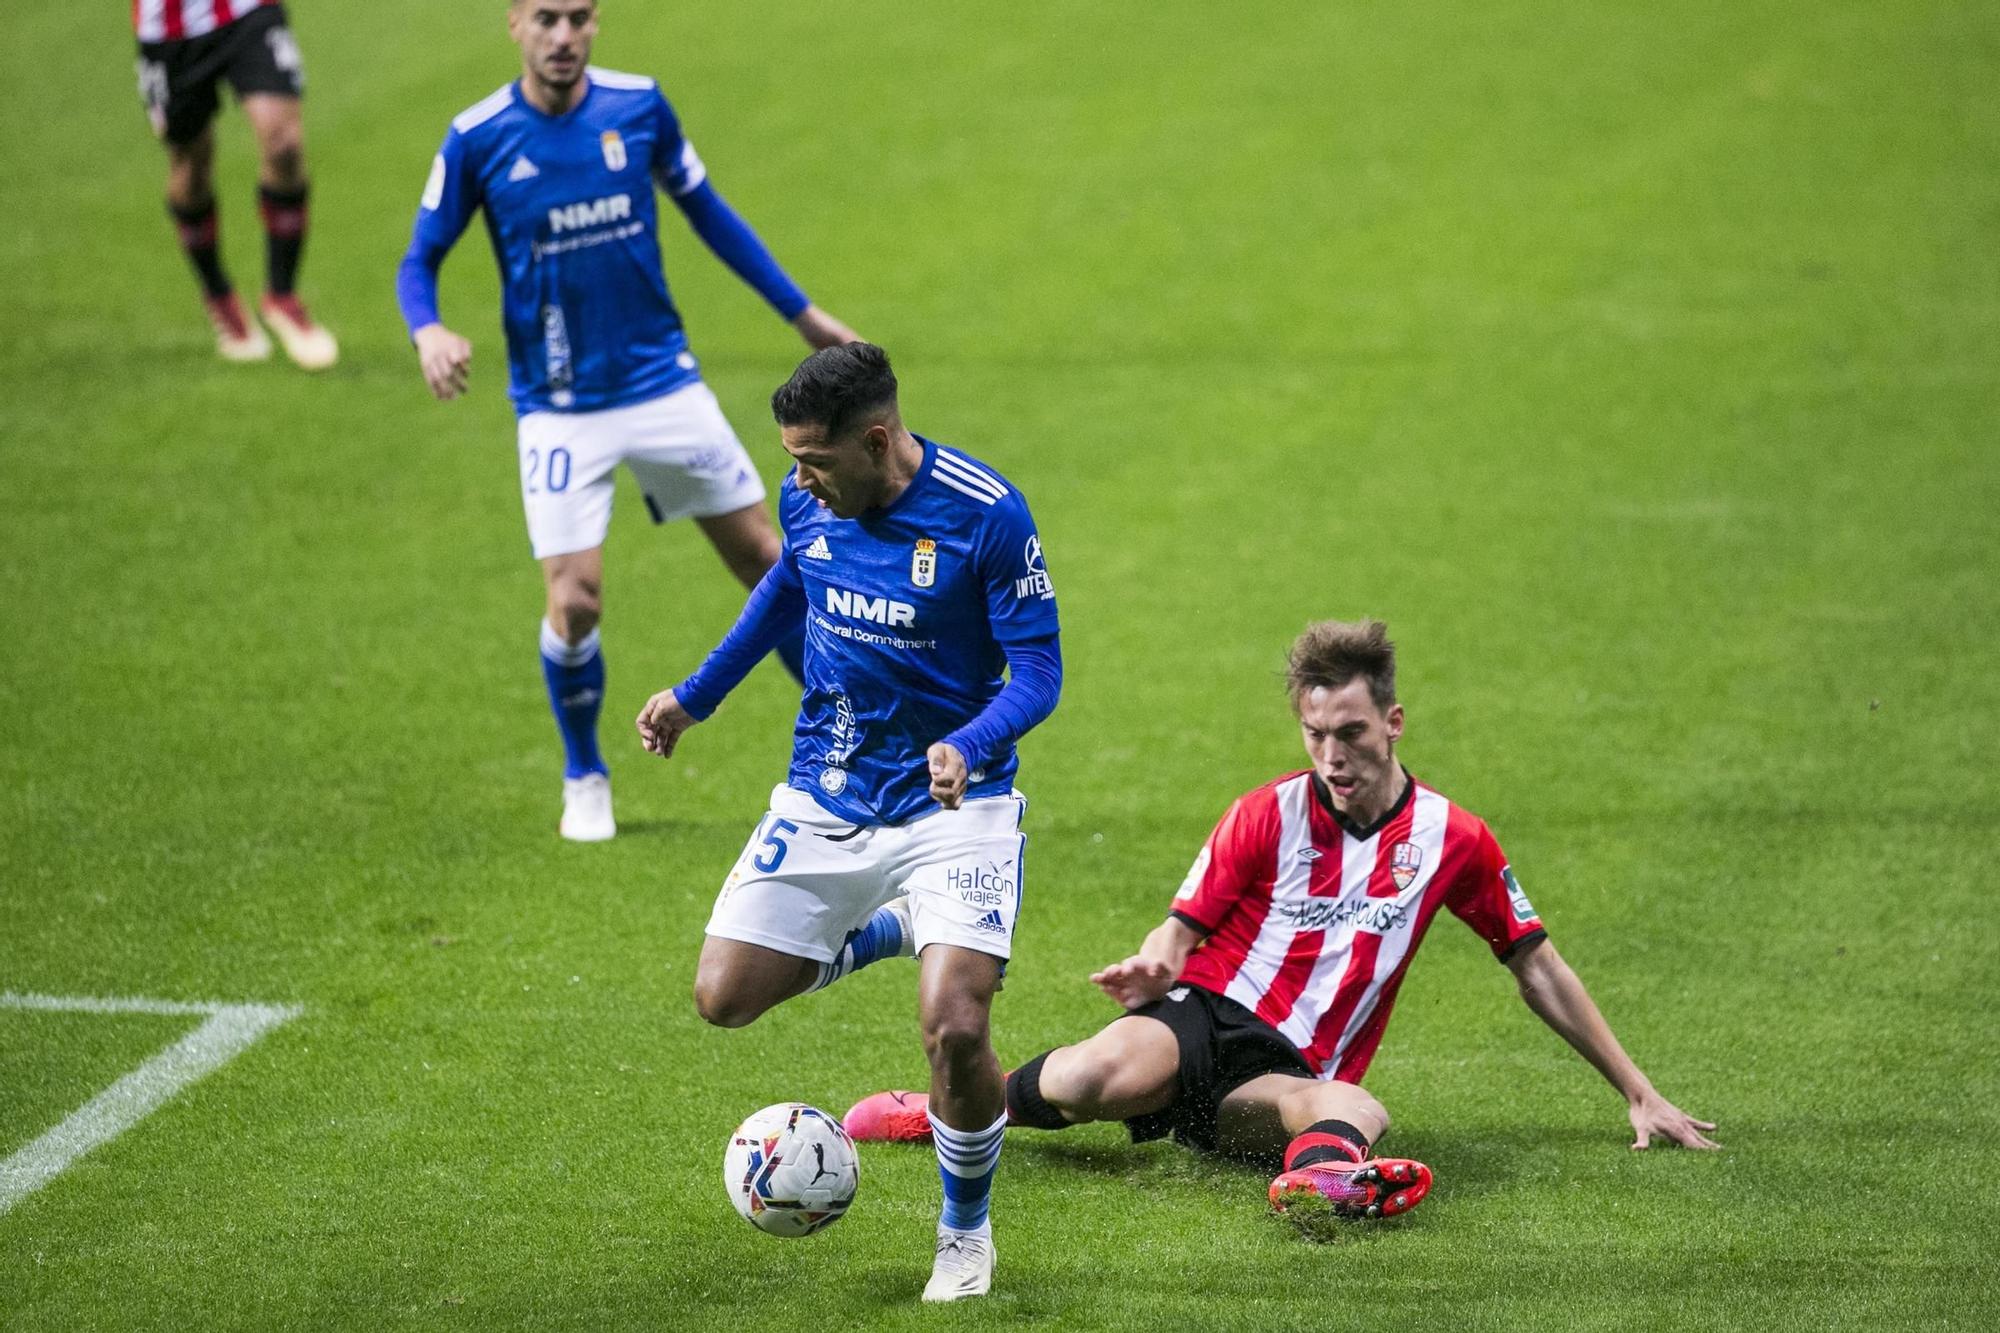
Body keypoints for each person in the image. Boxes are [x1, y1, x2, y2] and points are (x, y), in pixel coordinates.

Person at [846, 619, 1718, 1228]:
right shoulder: (1267, 814)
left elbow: (1539, 967)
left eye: (1350, 732)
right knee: (1089, 1078)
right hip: (1204, 1018)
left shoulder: (1455, 839)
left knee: (1349, 1103)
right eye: (1314, 734)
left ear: (1393, 721)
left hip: (1296, 1071)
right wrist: (1152, 970)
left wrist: (1637, 1088)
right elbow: (1176, 935)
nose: (1332, 757)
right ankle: (944, 1109)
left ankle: (1319, 1186)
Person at [635, 343, 1063, 1302]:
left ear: (876, 440)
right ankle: (889, 930)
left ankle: (964, 1234)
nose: (797, 480)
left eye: (814, 461)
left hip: (959, 804)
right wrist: (696, 695)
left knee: (954, 1027)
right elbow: (785, 589)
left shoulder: (986, 513)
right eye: (790, 460)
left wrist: (970, 739)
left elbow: (1039, 668)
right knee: (724, 996)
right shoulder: (811, 500)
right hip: (827, 790)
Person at [395, 0, 859, 840]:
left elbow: (710, 213)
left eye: (578, 18)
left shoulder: (638, 107)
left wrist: (803, 314)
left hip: (662, 385)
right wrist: (427, 327)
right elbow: (418, 258)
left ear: (596, 23)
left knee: (771, 561)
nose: (564, 36)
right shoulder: (477, 137)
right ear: (515, 25)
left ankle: (847, 741)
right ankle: (585, 773)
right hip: (560, 408)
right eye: (547, 19)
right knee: (574, 601)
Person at [134, 0, 338, 368]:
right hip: (169, 30)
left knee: (285, 145)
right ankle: (218, 294)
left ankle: (282, 295)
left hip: (247, 12)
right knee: (191, 166)